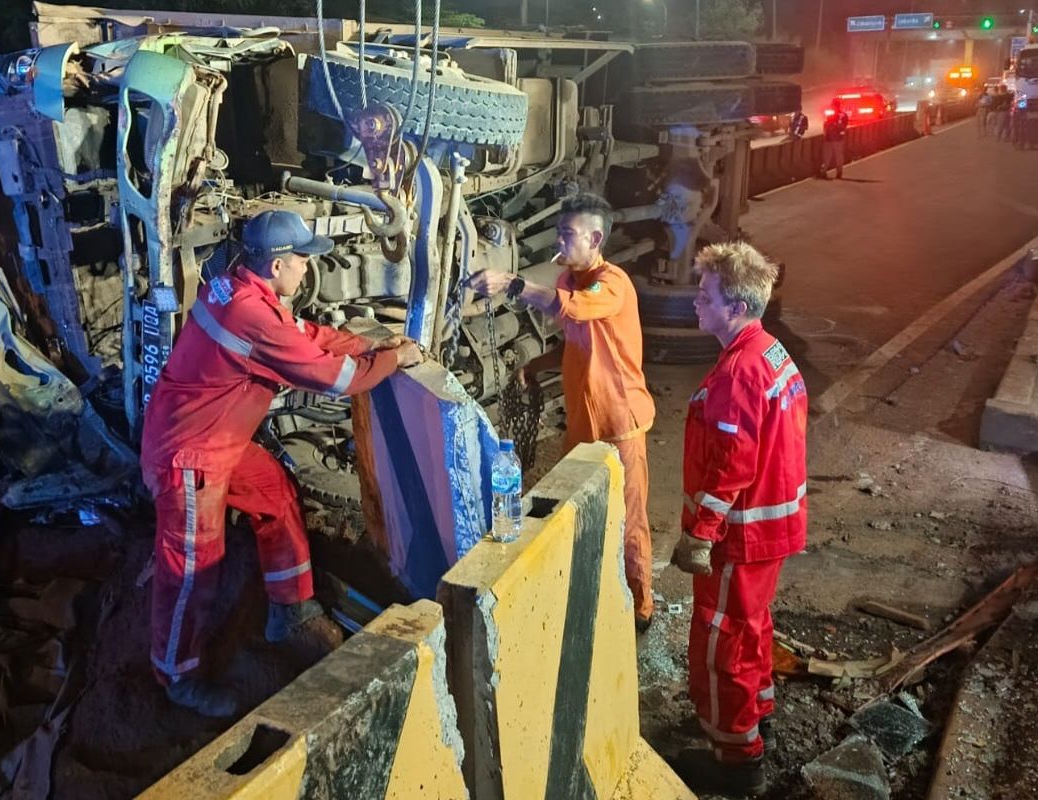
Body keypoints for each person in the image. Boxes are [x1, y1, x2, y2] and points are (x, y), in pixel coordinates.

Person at [140, 210, 424, 717]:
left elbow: (302, 334)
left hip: (214, 438)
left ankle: (290, 609)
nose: (307, 269)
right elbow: (335, 380)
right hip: (191, 455)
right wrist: (393, 360)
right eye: (301, 259)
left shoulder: (235, 289)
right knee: (192, 569)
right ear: (275, 266)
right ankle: (176, 676)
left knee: (273, 492)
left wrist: (368, 343)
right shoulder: (248, 315)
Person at [467, 192, 657, 631]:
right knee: (578, 509)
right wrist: (535, 365)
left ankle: (640, 605)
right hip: (584, 425)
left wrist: (513, 284)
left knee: (630, 519)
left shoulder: (611, 284)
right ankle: (590, 586)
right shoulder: (572, 280)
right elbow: (579, 343)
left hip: (619, 424)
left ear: (595, 237)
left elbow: (574, 309)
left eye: (567, 234)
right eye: (558, 233)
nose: (560, 240)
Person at [668, 242, 808, 797]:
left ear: (738, 306)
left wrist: (700, 533)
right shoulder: (769, 352)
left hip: (740, 535)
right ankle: (755, 713)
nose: (694, 302)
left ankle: (735, 758)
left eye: (705, 295)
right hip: (771, 529)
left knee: (721, 638)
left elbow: (732, 465)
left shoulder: (738, 373)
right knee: (751, 627)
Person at [819, 98, 848, 179]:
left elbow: (827, 125)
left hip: (832, 139)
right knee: (837, 157)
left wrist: (827, 132)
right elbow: (843, 126)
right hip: (836, 139)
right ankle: (837, 173)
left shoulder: (835, 115)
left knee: (828, 157)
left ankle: (825, 172)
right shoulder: (842, 115)